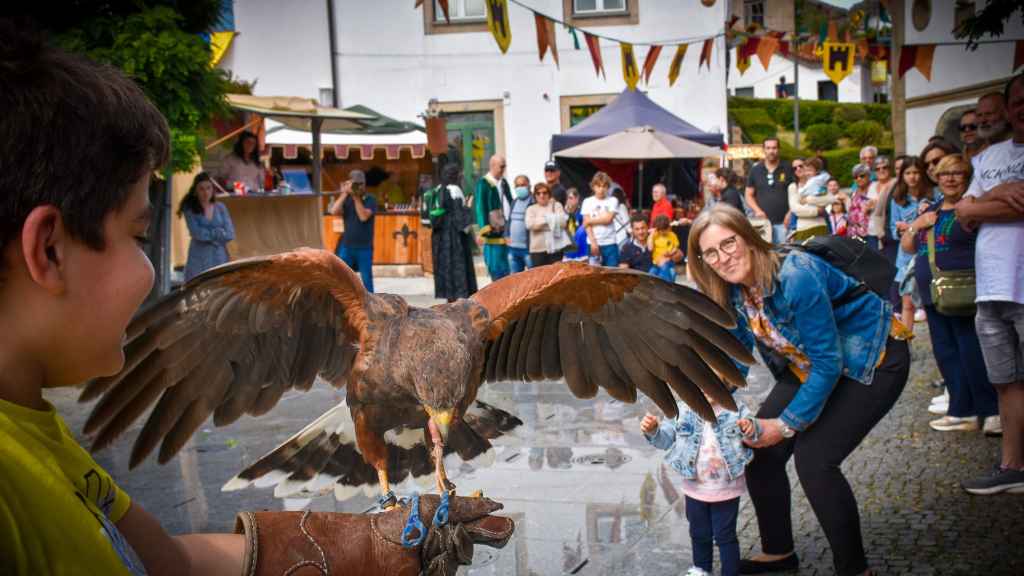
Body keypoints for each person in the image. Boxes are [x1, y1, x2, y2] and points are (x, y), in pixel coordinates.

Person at [0, 28, 510, 576]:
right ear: (49, 250)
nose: (150, 269)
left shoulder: (38, 437)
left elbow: (168, 562)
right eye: (138, 235)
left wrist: (365, 548)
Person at [687, 205, 911, 576]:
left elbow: (829, 363)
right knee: (760, 450)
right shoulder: (734, 289)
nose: (723, 258)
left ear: (749, 237)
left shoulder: (796, 276)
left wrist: (785, 424)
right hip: (811, 361)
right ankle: (780, 554)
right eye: (711, 252)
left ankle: (855, 569)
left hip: (874, 358)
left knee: (815, 459)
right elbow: (739, 348)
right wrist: (714, 389)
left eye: (729, 244)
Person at [955, 73, 1024, 494]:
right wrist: (1003, 194)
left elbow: (974, 207)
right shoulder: (988, 156)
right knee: (1005, 381)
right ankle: (1013, 466)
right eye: (1016, 100)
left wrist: (981, 203)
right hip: (991, 286)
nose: (1021, 107)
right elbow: (963, 213)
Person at [901, 154, 999, 434]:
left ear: (967, 177)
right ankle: (961, 409)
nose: (951, 178)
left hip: (963, 292)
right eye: (945, 174)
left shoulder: (972, 208)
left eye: (957, 173)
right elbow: (908, 246)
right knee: (946, 353)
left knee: (972, 352)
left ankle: (990, 410)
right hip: (933, 293)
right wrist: (916, 225)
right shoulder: (931, 209)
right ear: (936, 178)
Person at [641, 394, 758, 576]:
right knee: (698, 534)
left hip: (726, 490)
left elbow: (754, 433)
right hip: (695, 490)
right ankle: (701, 571)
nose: (706, 387)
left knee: (725, 536)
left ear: (725, 381)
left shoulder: (736, 408)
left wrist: (750, 428)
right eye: (699, 380)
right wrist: (653, 430)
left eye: (713, 379)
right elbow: (664, 440)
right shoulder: (681, 410)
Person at [890, 156, 930, 326]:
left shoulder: (933, 195)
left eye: (916, 172)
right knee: (907, 303)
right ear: (902, 176)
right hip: (906, 256)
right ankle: (905, 347)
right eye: (908, 173)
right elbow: (893, 231)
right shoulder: (897, 199)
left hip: (928, 254)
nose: (912, 177)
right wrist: (901, 230)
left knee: (930, 302)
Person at [430, 164, 477, 302]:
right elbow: (461, 221)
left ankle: (449, 303)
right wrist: (468, 207)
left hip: (440, 240)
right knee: (458, 273)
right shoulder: (455, 190)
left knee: (446, 273)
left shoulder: (438, 189)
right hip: (454, 240)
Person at [179, 172, 235, 281]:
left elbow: (230, 233)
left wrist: (212, 235)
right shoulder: (190, 209)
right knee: (197, 287)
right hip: (199, 257)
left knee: (219, 286)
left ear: (213, 190)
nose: (206, 192)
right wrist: (218, 233)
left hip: (219, 256)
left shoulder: (221, 207)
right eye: (201, 189)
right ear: (195, 191)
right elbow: (197, 233)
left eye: (208, 188)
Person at [329, 170, 377, 293]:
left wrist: (355, 197)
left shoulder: (371, 199)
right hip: (347, 246)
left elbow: (363, 216)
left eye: (361, 184)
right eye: (356, 184)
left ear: (365, 184)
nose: (359, 187)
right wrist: (344, 193)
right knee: (340, 277)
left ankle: (371, 308)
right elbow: (333, 211)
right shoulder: (347, 199)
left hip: (364, 247)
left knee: (367, 281)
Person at [744, 137, 794, 243]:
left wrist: (790, 213)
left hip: (784, 223)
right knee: (765, 256)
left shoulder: (788, 168)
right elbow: (748, 194)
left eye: (774, 148)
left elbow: (797, 193)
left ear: (779, 149)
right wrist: (757, 211)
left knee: (784, 255)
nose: (771, 151)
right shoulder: (755, 169)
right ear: (763, 150)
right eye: (768, 148)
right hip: (763, 224)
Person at [475, 154, 512, 281]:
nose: (503, 169)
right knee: (496, 268)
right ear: (492, 166)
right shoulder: (483, 183)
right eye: (501, 166)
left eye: (504, 166)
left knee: (507, 270)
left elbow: (509, 200)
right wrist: (484, 228)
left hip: (506, 229)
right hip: (493, 231)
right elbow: (480, 206)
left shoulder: (504, 182)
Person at [525, 182, 570, 267]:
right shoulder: (531, 209)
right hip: (537, 250)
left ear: (549, 194)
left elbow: (563, 223)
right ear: (535, 195)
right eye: (538, 193)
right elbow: (530, 225)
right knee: (539, 277)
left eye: (544, 192)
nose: (541, 195)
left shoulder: (557, 205)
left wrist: (539, 221)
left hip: (556, 248)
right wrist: (551, 219)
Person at [582, 171, 621, 267]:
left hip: (610, 242)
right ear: (593, 187)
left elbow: (608, 220)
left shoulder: (613, 200)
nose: (601, 189)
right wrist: (593, 242)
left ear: (608, 187)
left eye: (604, 186)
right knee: (594, 275)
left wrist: (590, 220)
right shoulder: (587, 201)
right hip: (593, 242)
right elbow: (587, 226)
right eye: (598, 186)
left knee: (612, 273)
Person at [866, 156, 896, 251]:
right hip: (872, 232)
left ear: (890, 169)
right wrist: (867, 207)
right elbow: (867, 210)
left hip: (888, 231)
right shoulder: (872, 186)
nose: (881, 170)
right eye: (877, 169)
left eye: (884, 167)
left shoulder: (895, 184)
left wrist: (878, 203)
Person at [506, 174, 533, 273]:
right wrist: (507, 235)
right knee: (515, 280)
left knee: (533, 278)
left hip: (528, 249)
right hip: (513, 249)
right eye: (517, 185)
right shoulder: (514, 201)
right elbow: (509, 220)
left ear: (529, 186)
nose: (520, 188)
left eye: (523, 185)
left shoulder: (533, 201)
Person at [648, 214, 682, 283]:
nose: (662, 232)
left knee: (665, 271)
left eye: (665, 230)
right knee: (651, 273)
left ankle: (666, 285)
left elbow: (675, 247)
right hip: (656, 263)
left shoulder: (672, 235)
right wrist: (651, 235)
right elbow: (650, 248)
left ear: (669, 228)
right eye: (660, 230)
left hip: (668, 261)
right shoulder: (655, 236)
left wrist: (670, 253)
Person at [846, 164, 876, 241]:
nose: (858, 179)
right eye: (855, 177)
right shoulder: (854, 192)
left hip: (870, 234)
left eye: (862, 176)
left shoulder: (874, 189)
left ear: (868, 176)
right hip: (854, 234)